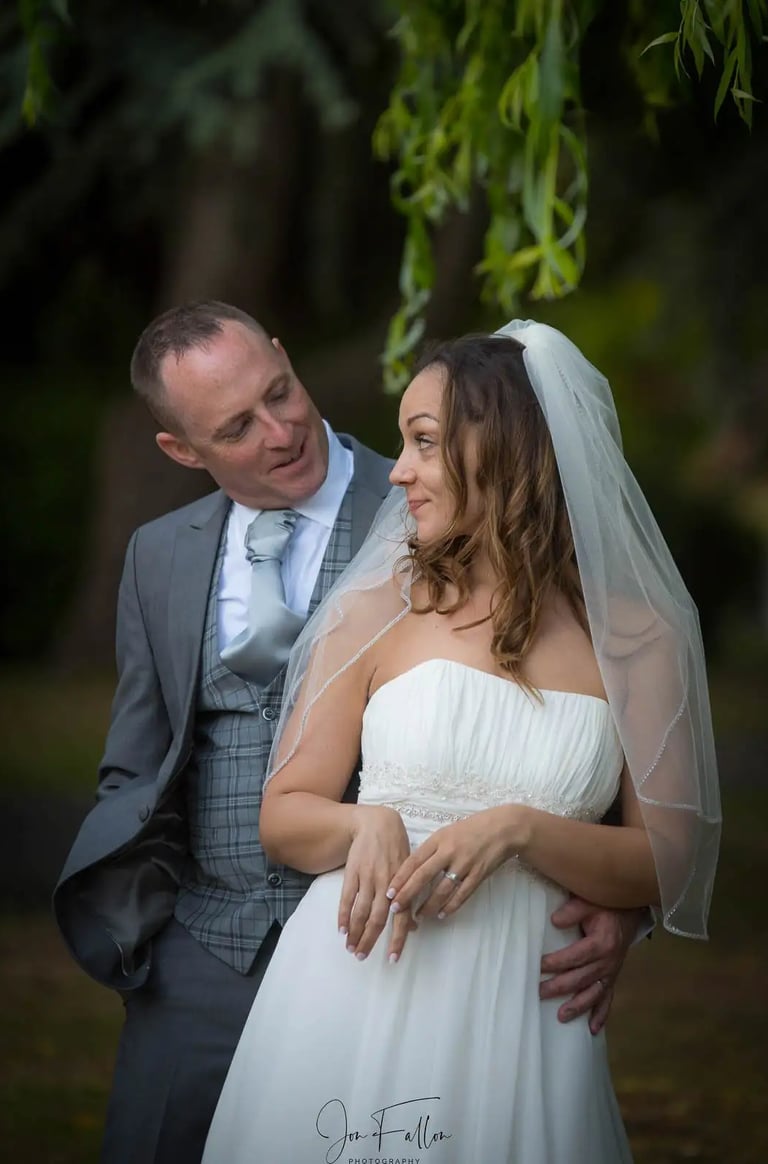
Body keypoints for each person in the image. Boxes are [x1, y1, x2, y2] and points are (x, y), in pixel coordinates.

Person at [53, 304, 646, 1164]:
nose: (282, 428)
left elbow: (584, 763)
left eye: (281, 393)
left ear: (289, 359)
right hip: (202, 953)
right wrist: (146, 932)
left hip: (409, 953)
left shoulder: (428, 495)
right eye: (236, 426)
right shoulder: (159, 554)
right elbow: (138, 764)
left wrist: (622, 909)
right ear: (184, 451)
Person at [201, 321, 721, 1163]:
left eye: (425, 443)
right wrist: (363, 824)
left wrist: (521, 830)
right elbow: (286, 814)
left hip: (526, 1007)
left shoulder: (640, 638)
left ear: (508, 449)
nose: (398, 470)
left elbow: (670, 858)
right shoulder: (377, 610)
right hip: (355, 985)